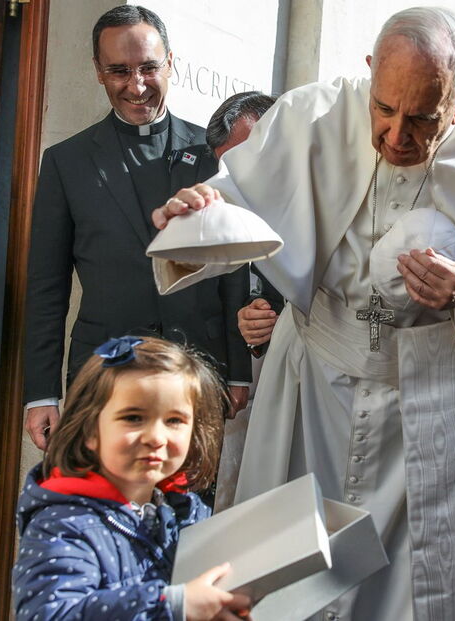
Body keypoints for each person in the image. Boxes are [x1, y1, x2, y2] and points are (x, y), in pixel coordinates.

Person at [152, 7, 455, 620]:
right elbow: (235, 208)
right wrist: (190, 216)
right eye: (384, 108)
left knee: (410, 593)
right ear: (370, 71)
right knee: (284, 586)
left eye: (423, 118)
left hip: (435, 397)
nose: (397, 136)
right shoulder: (310, 117)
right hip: (313, 385)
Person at [22, 5, 251, 452]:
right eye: (119, 71)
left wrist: (237, 368)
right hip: (104, 373)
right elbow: (45, 286)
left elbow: (233, 268)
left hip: (197, 370)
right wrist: (41, 392)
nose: (137, 85)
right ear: (98, 72)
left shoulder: (212, 155)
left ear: (171, 62)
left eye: (149, 67)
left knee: (188, 515)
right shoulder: (64, 162)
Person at [13, 336, 252, 620]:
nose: (156, 437)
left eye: (174, 420)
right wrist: (174, 605)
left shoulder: (184, 512)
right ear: (90, 429)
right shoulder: (63, 525)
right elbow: (50, 615)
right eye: (133, 418)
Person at [203, 91, 282, 510]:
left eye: (248, 157)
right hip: (243, 385)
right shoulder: (227, 201)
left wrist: (279, 319)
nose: (242, 176)